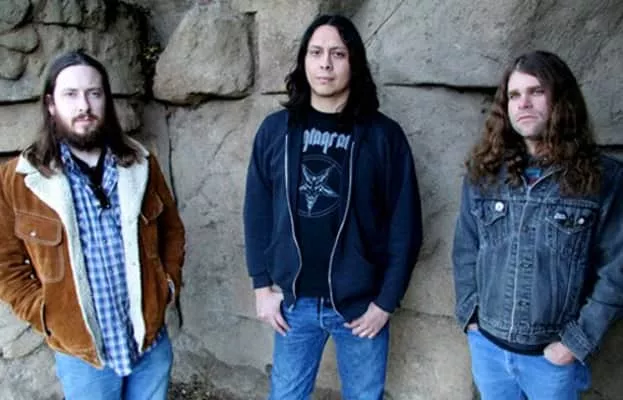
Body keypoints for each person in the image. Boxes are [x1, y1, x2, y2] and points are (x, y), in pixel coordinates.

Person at [243, 14, 423, 400]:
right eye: (316, 52)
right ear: (303, 61)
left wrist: (385, 302)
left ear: (354, 62)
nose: (325, 64)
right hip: (293, 304)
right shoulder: (276, 131)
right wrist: (261, 286)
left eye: (338, 54)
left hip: (361, 307)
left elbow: (405, 227)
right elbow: (256, 213)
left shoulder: (383, 136)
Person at [0, 50, 185, 400]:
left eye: (94, 93)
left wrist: (168, 286)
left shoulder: (141, 164)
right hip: (83, 354)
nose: (84, 105)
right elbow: (5, 265)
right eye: (70, 94)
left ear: (106, 101)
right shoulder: (19, 180)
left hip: (149, 342)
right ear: (50, 104)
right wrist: (46, 313)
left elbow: (172, 232)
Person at [452, 50, 623, 399]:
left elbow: (617, 269)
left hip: (552, 359)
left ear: (561, 99)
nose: (524, 103)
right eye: (514, 95)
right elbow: (466, 248)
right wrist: (471, 319)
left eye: (537, 91)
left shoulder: (603, 177)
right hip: (489, 349)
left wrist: (575, 343)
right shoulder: (485, 173)